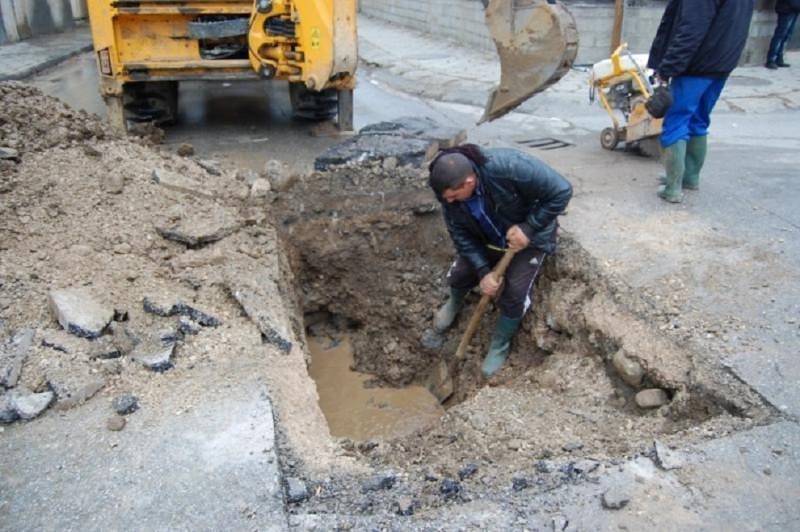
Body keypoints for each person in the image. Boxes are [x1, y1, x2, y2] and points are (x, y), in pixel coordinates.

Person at [427, 144, 572, 378]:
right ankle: (454, 304)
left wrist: (529, 228)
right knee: (460, 274)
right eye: (447, 199)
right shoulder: (449, 199)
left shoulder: (508, 167)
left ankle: (499, 344)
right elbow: (461, 236)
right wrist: (483, 271)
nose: (450, 203)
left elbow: (562, 190)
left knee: (514, 292)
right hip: (487, 239)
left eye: (453, 197)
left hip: (528, 240)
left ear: (469, 182)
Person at [647, 0, 755, 203]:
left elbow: (691, 29)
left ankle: (672, 187)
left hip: (695, 66)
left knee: (676, 121)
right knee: (699, 119)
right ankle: (690, 177)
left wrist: (668, 67)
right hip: (722, 63)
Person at [765, 0, 800, 69]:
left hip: (794, 10)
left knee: (786, 36)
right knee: (780, 35)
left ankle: (779, 58)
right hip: (786, 9)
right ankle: (771, 59)